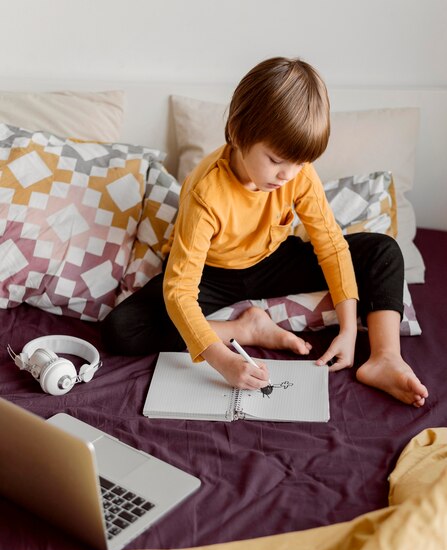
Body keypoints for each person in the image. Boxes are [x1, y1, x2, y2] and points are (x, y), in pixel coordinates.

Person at [102, 57, 428, 408]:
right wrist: (221, 358)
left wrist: (349, 329)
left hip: (272, 259)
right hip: (213, 273)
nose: (288, 175)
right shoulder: (205, 193)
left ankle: (384, 358)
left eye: (299, 163)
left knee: (383, 250)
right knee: (122, 329)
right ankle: (244, 329)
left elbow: (331, 245)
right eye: (275, 161)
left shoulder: (298, 175)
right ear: (240, 135)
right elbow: (180, 291)